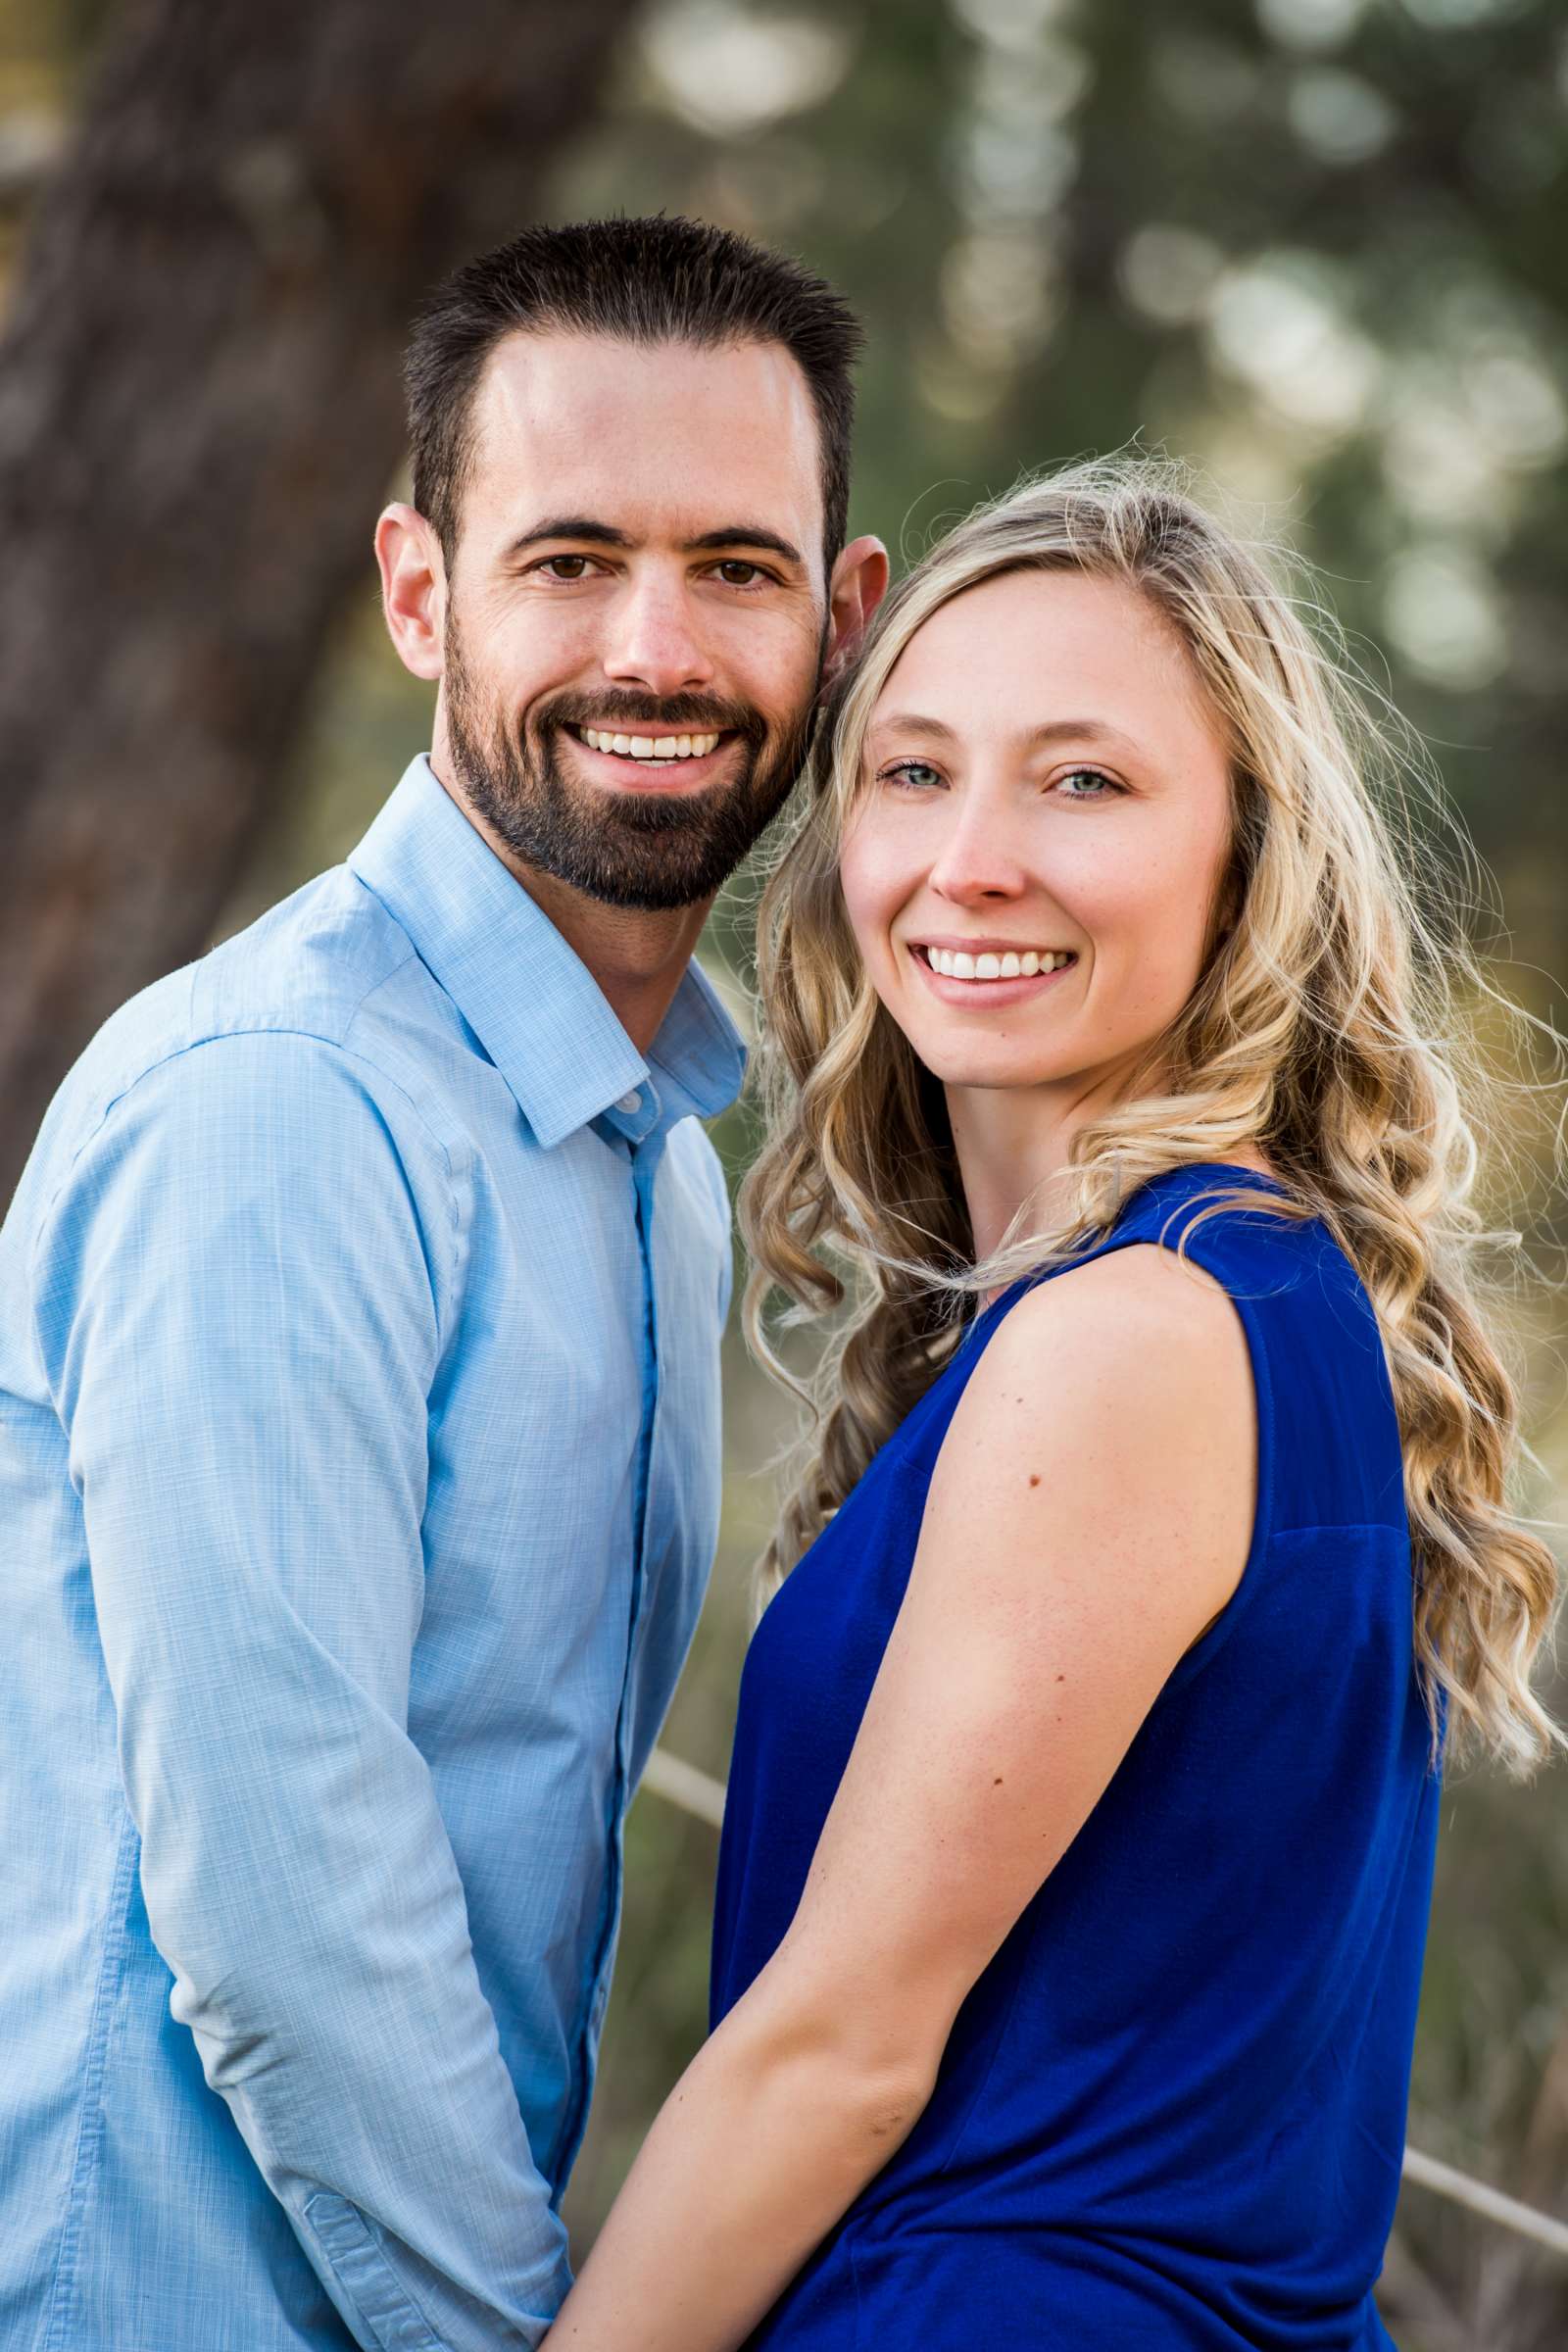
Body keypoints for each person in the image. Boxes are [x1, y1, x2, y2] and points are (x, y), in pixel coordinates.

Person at [541, 456, 1562, 2351]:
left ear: (1247, 851)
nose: (972, 857)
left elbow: (836, 2057)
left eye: (1083, 778)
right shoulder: (1232, 1297)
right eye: (914, 771)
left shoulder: (1135, 1337)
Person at [0, 215, 886, 2352]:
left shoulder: (648, 1163)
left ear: (840, 619)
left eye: (736, 569)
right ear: (422, 590)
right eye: (570, 559)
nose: (656, 648)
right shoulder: (287, 1105)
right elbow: (286, 1905)